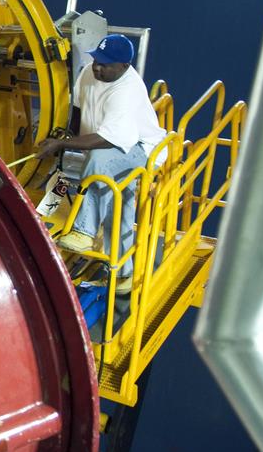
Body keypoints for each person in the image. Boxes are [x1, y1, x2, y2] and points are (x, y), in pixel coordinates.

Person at [35, 34, 166, 291]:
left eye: (105, 64)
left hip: (140, 147)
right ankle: (123, 274)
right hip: (105, 139)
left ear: (124, 67)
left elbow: (109, 139)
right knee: (112, 201)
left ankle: (84, 232)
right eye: (96, 60)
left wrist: (64, 145)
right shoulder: (89, 73)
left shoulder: (125, 91)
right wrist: (66, 137)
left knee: (100, 163)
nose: (97, 67)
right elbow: (77, 109)